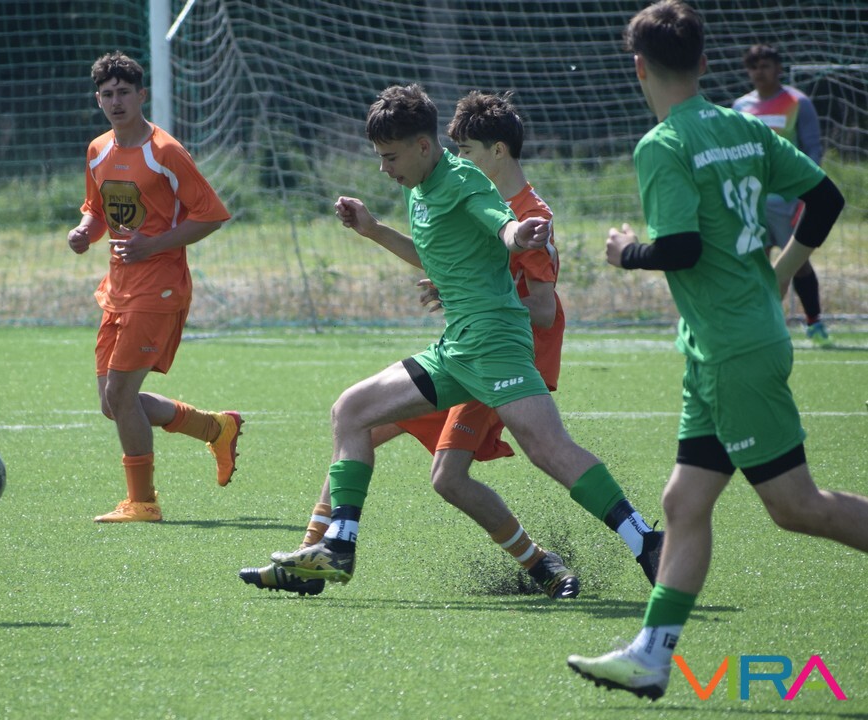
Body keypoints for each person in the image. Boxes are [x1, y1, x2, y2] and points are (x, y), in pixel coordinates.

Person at [567, 1, 865, 701]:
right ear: (702, 63)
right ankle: (651, 656)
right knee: (683, 501)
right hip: (719, 345)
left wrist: (624, 252)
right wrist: (783, 270)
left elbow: (681, 248)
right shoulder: (742, 125)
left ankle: (650, 653)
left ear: (638, 67)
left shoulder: (662, 144)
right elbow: (825, 199)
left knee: (795, 506)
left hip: (734, 348)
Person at [264, 84, 663, 594]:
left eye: (391, 157)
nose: (384, 168)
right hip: (457, 347)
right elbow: (438, 256)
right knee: (351, 411)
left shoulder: (465, 179)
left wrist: (520, 234)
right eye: (379, 157)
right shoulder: (418, 188)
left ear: (422, 146)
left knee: (548, 449)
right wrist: (372, 229)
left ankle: (645, 540)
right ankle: (337, 546)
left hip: (495, 342)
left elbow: (502, 226)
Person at [68, 50, 242, 523]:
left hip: (160, 289)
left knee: (122, 397)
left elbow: (211, 215)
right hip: (116, 290)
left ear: (141, 95)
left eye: (124, 92)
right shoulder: (97, 150)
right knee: (113, 404)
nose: (116, 101)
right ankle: (215, 428)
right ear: (98, 99)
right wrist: (84, 231)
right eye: (107, 94)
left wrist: (155, 244)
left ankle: (143, 503)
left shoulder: (165, 151)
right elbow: (97, 210)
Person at [733, 44, 831, 344]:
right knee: (757, 263)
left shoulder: (797, 102)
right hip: (754, 202)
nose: (759, 72)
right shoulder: (740, 107)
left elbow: (812, 149)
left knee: (796, 263)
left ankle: (814, 322)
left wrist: (807, 193)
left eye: (765, 65)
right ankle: (762, 325)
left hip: (790, 201)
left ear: (778, 68)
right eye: (753, 67)